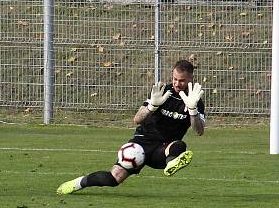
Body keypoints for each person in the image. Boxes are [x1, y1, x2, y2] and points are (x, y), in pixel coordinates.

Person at [56, 59, 204, 196]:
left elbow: (199, 131)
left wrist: (193, 111)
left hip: (163, 150)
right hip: (141, 144)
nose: (177, 84)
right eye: (175, 79)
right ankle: (77, 183)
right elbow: (137, 119)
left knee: (179, 145)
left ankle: (172, 163)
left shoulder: (195, 100)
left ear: (191, 78)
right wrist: (152, 106)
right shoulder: (162, 91)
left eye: (182, 81)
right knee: (114, 178)